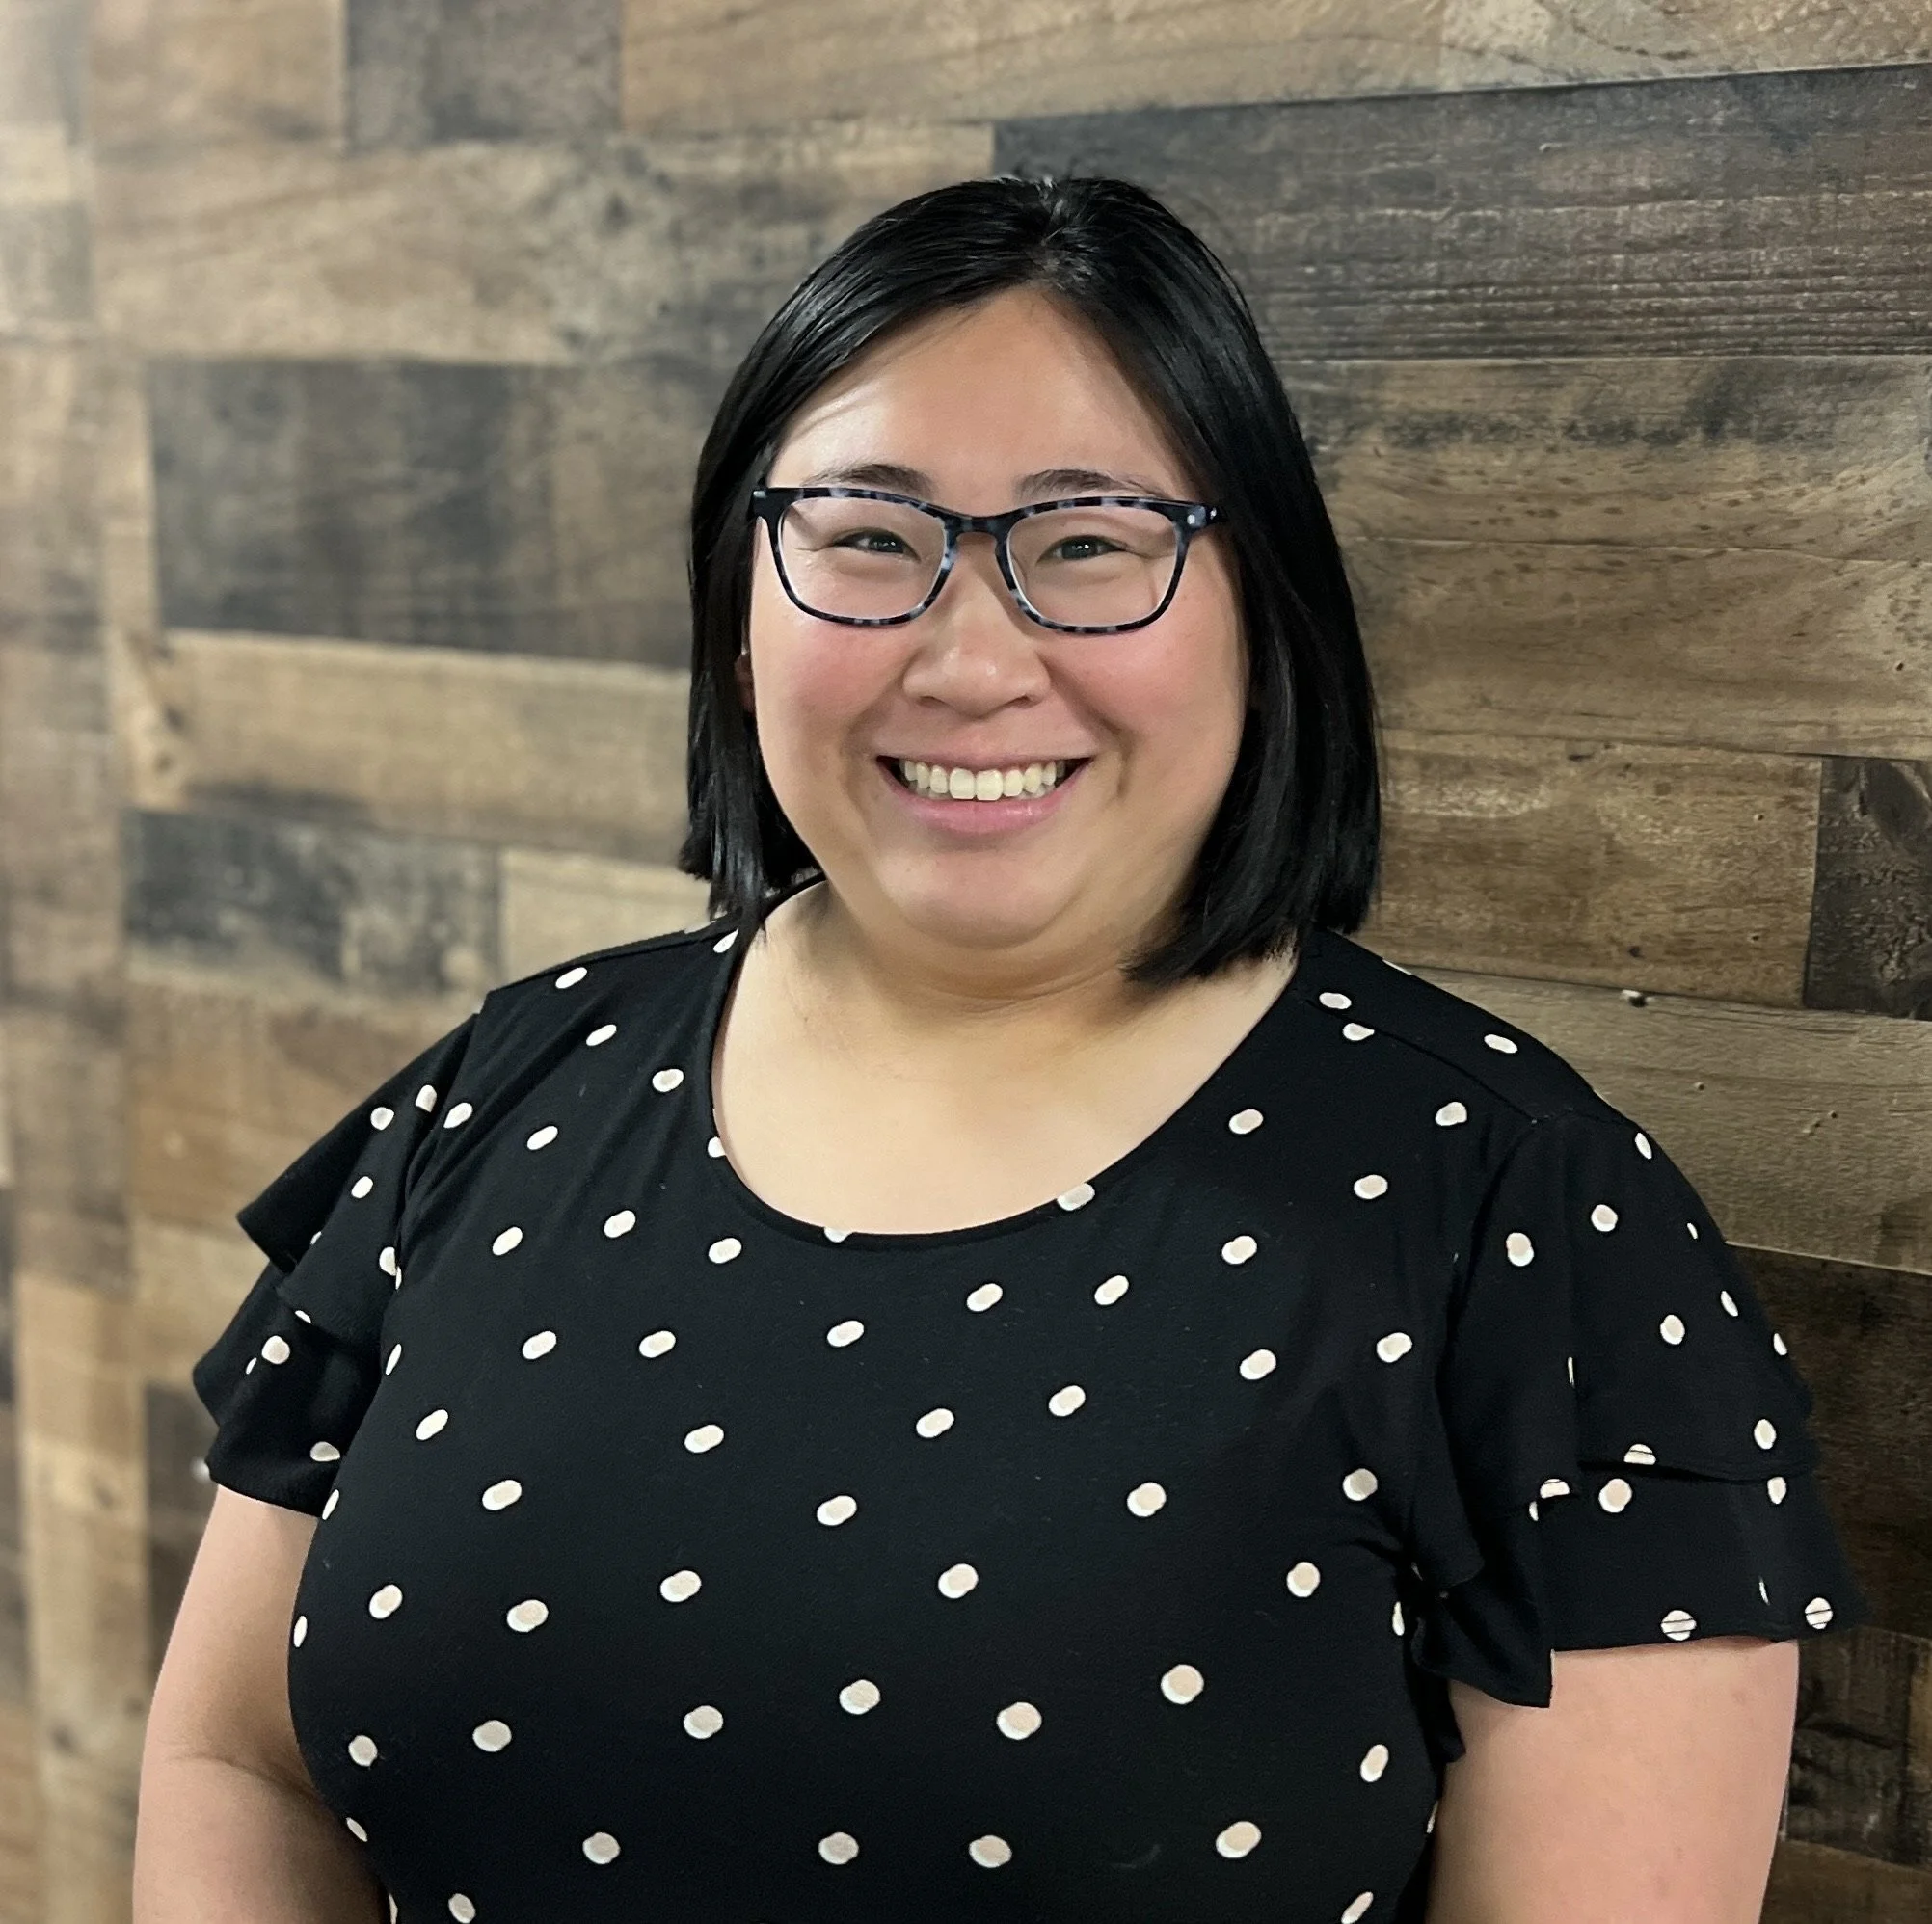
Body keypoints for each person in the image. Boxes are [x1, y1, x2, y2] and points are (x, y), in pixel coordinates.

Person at [134, 174, 1865, 1924]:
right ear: (740, 607)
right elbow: (240, 1763)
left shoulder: (1523, 1216)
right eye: (869, 539)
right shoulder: (509, 1087)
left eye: (1090, 542)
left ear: (1261, 610)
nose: (969, 662)